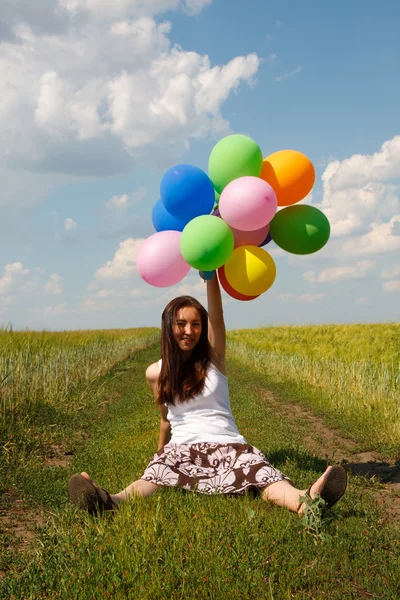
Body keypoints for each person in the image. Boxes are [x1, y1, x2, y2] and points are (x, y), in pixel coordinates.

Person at [68, 273, 347, 516]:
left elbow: (218, 313)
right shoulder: (155, 372)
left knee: (263, 477)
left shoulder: (215, 360)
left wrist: (210, 275)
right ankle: (108, 500)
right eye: (181, 324)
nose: (189, 331)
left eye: (196, 324)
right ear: (169, 326)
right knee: (154, 477)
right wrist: (160, 453)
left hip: (230, 446)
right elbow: (165, 419)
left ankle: (306, 501)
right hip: (183, 447)